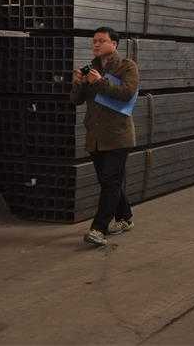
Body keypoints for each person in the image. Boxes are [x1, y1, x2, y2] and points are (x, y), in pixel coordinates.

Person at [71, 26, 139, 247]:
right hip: (96, 137)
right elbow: (76, 100)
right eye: (94, 41)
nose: (96, 44)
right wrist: (78, 83)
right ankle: (125, 217)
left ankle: (98, 229)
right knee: (108, 182)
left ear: (114, 44)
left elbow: (126, 93)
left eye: (101, 41)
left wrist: (99, 82)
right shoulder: (90, 69)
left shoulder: (127, 66)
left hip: (118, 136)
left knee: (110, 181)